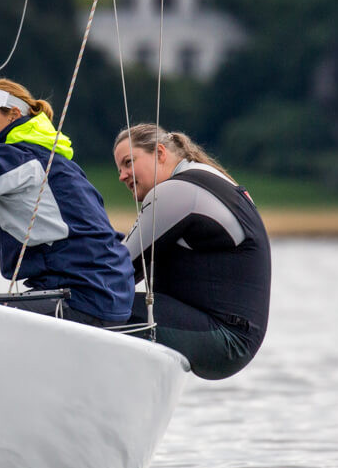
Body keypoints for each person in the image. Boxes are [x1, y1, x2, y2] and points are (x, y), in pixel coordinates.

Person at [0, 78, 134, 326]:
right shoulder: (54, 160)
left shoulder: (23, 157)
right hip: (106, 299)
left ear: (13, 115)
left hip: (82, 299)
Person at [113, 123, 271, 379]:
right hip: (226, 334)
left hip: (225, 340)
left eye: (129, 163)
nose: (122, 175)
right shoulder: (205, 179)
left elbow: (117, 271)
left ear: (161, 153)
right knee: (102, 300)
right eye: (119, 168)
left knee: (89, 304)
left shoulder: (177, 192)